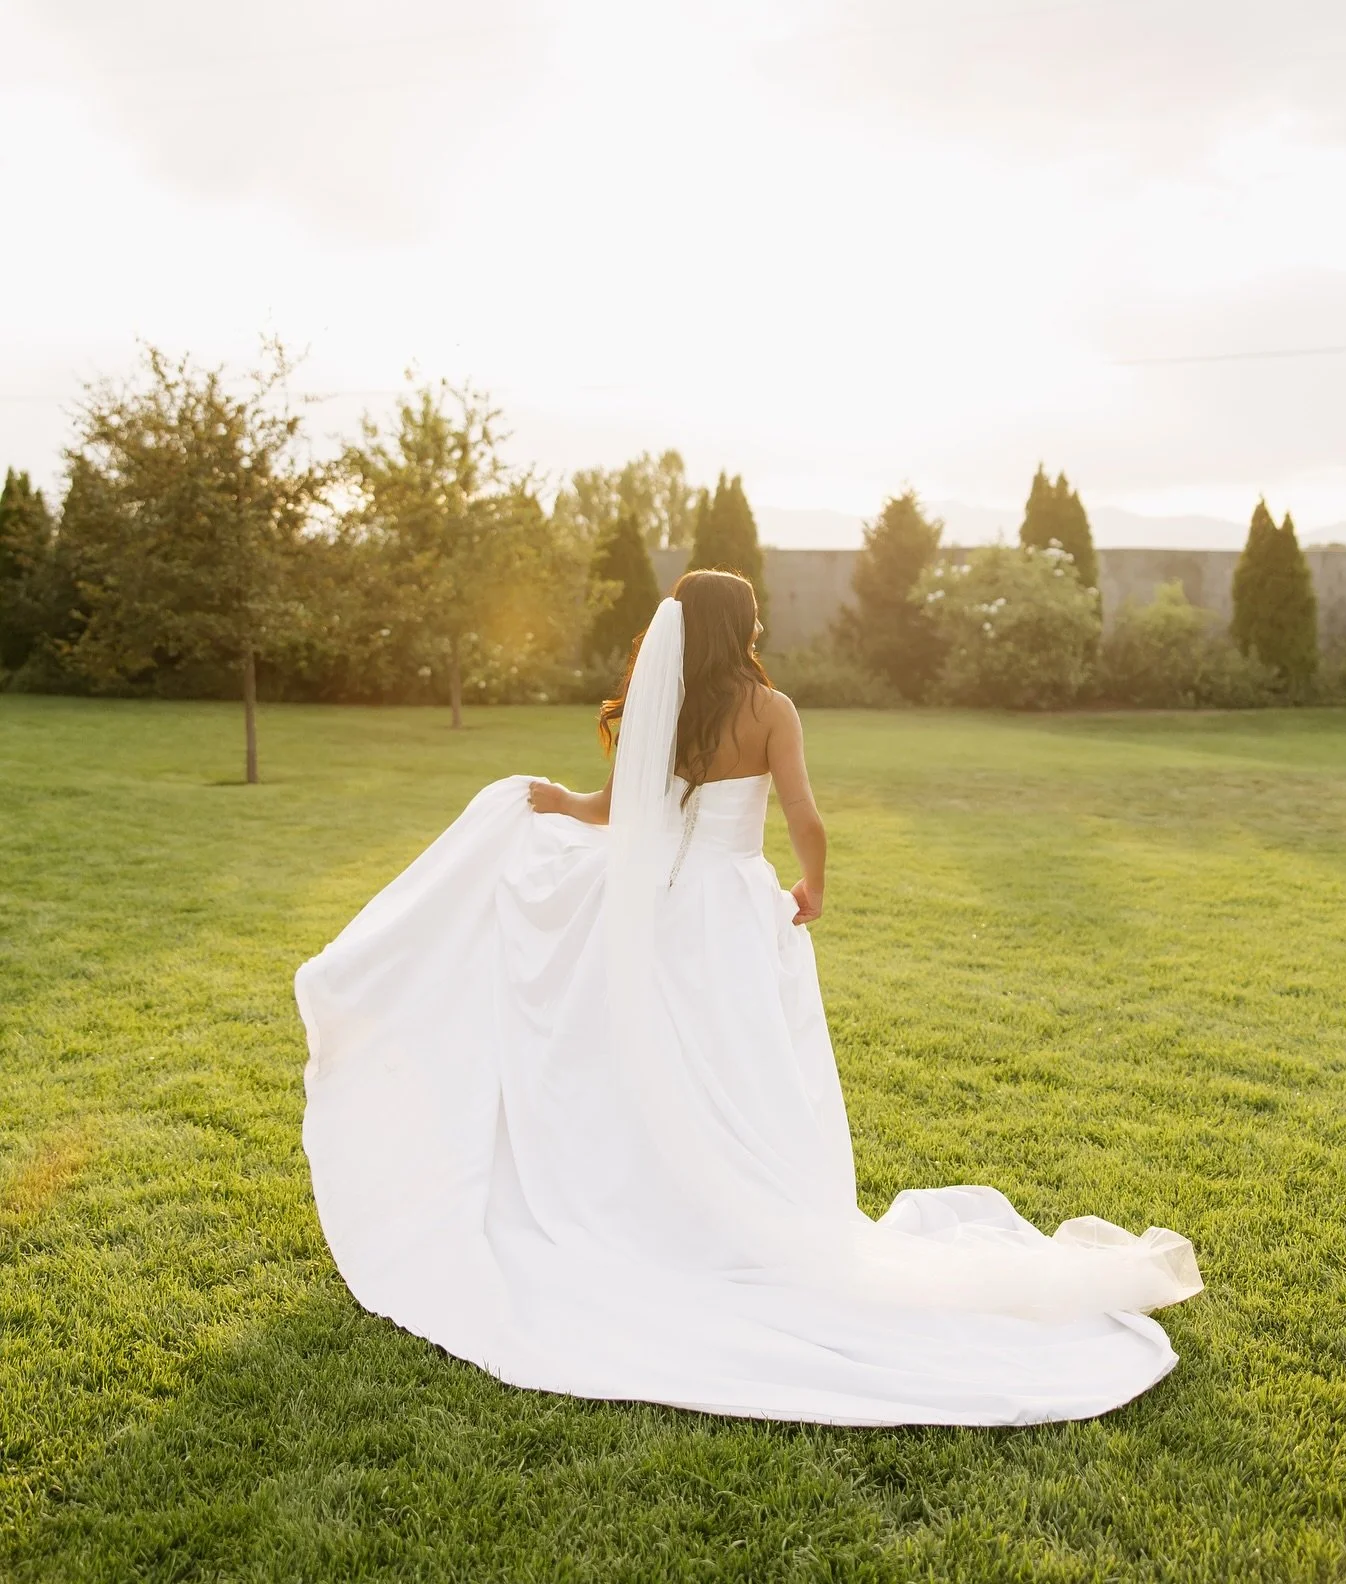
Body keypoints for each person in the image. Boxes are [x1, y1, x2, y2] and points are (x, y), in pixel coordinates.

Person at [296, 570, 1200, 1427]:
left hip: (657, 912)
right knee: (743, 1066)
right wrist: (813, 885)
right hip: (728, 910)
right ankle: (745, 1214)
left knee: (661, 1061)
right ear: (742, 628)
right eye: (756, 616)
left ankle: (663, 1204)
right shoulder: (770, 710)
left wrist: (554, 801)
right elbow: (804, 813)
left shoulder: (665, 705)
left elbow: (609, 808)